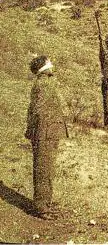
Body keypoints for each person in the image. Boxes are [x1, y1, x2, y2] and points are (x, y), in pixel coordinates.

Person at [25, 55, 67, 220]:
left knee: (48, 169)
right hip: (44, 133)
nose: (52, 65)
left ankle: (45, 204)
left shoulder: (46, 82)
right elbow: (36, 110)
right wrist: (37, 131)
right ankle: (41, 207)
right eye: (50, 63)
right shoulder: (43, 84)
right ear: (44, 68)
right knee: (43, 169)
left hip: (48, 132)